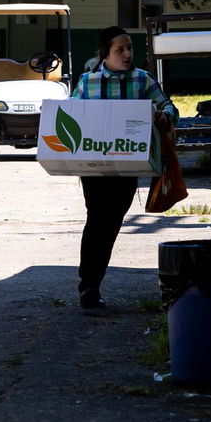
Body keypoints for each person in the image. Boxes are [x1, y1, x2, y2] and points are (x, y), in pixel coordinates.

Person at [71, 25, 178, 310]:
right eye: (120, 49)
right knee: (96, 220)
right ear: (105, 52)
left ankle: (92, 281)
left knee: (112, 222)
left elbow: (170, 108)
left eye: (130, 48)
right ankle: (89, 286)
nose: (127, 54)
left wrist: (162, 116)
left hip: (129, 167)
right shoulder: (87, 82)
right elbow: (70, 113)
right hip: (94, 167)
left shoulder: (143, 80)